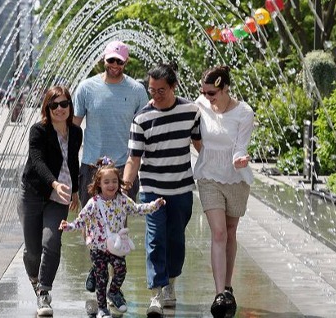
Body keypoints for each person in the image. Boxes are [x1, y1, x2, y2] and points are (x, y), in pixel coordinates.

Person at [122, 63, 202, 316]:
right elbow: (133, 158)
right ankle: (156, 292)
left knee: (176, 239)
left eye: (161, 90)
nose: (155, 95)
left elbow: (201, 145)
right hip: (152, 189)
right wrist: (124, 186)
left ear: (173, 87)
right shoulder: (142, 118)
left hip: (180, 188)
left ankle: (171, 284)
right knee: (155, 239)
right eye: (151, 90)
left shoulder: (191, 111)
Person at [72, 40, 149, 294]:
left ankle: (113, 283)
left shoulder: (137, 90)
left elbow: (144, 129)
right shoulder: (86, 88)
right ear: (103, 60)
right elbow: (74, 128)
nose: (115, 65)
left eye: (120, 61)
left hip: (122, 169)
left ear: (125, 63)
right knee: (92, 224)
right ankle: (97, 269)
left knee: (117, 227)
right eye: (111, 60)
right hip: (92, 168)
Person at [60, 157, 165, 318]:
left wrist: (154, 205)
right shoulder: (94, 203)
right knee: (101, 278)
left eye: (114, 181)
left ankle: (113, 292)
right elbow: (81, 220)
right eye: (107, 182)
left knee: (121, 270)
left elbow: (137, 209)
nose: (111, 185)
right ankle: (102, 308)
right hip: (98, 248)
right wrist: (69, 226)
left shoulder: (122, 200)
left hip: (115, 247)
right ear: (99, 184)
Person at [193, 66, 254, 317]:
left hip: (236, 178)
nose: (207, 97)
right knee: (218, 232)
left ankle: (228, 286)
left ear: (225, 88)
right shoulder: (201, 105)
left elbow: (241, 147)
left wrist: (240, 160)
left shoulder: (244, 112)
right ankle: (220, 294)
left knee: (230, 231)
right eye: (204, 92)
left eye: (212, 93)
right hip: (208, 176)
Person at [18, 85, 82, 316]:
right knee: (33, 251)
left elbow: (73, 161)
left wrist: (74, 190)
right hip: (34, 192)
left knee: (51, 241)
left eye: (64, 104)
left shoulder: (75, 132)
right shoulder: (38, 130)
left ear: (69, 105)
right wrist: (53, 183)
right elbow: (37, 161)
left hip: (60, 196)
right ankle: (35, 277)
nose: (59, 109)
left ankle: (44, 292)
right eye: (54, 105)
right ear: (47, 107)